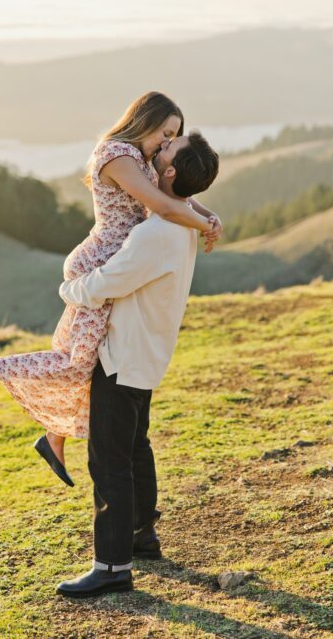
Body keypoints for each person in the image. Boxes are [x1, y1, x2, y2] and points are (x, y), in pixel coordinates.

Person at [0, 92, 222, 486]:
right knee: (76, 362)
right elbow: (162, 207)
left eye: (173, 137)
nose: (166, 144)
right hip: (99, 266)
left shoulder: (142, 159)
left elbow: (176, 196)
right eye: (165, 133)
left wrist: (210, 216)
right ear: (144, 120)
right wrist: (204, 224)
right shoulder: (117, 156)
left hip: (119, 265)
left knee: (93, 363)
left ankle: (54, 437)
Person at [44, 131, 215, 596]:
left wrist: (68, 289)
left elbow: (106, 283)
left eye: (166, 152)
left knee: (109, 461)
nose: (158, 152)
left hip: (122, 357)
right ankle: (142, 537)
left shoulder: (156, 232)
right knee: (135, 448)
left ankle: (112, 567)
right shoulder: (181, 226)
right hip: (147, 354)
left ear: (172, 173)